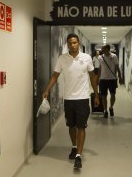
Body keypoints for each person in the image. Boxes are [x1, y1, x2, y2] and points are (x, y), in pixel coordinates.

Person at [42, 33, 100, 169]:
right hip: (68, 98)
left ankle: (78, 156)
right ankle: (74, 147)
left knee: (81, 126)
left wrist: (96, 94)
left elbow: (92, 77)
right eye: (69, 43)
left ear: (78, 43)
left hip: (83, 98)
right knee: (71, 126)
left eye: (74, 42)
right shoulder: (62, 59)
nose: (72, 45)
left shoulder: (86, 58)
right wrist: (46, 90)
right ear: (67, 44)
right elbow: (55, 76)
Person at [98, 44, 123, 118]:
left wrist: (120, 77)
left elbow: (117, 67)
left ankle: (111, 107)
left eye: (103, 48)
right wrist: (97, 79)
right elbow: (100, 68)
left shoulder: (114, 56)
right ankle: (105, 110)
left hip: (112, 79)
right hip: (103, 79)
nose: (102, 49)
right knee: (103, 96)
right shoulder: (100, 57)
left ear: (107, 49)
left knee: (113, 95)